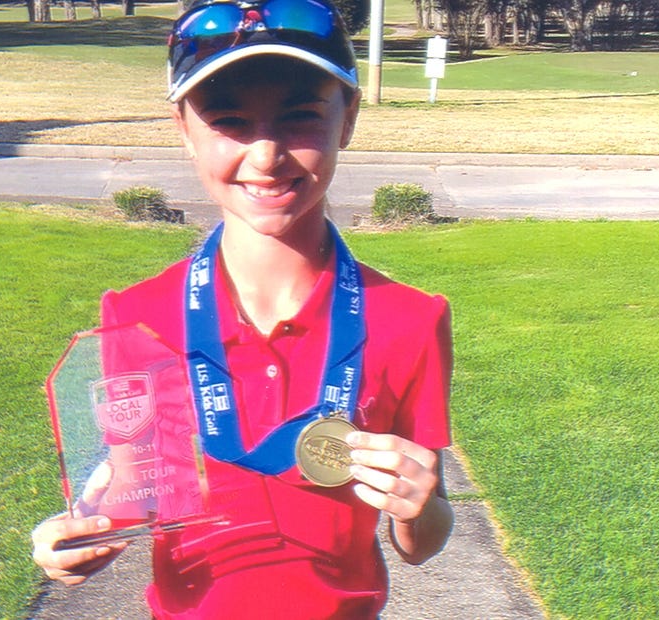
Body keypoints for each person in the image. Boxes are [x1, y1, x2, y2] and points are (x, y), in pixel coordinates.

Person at [32, 0, 454, 617]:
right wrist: (82, 535)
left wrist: (422, 507)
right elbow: (138, 492)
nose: (265, 156)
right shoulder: (137, 314)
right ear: (183, 128)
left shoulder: (411, 319)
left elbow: (420, 543)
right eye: (229, 120)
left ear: (348, 119)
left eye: (300, 118)